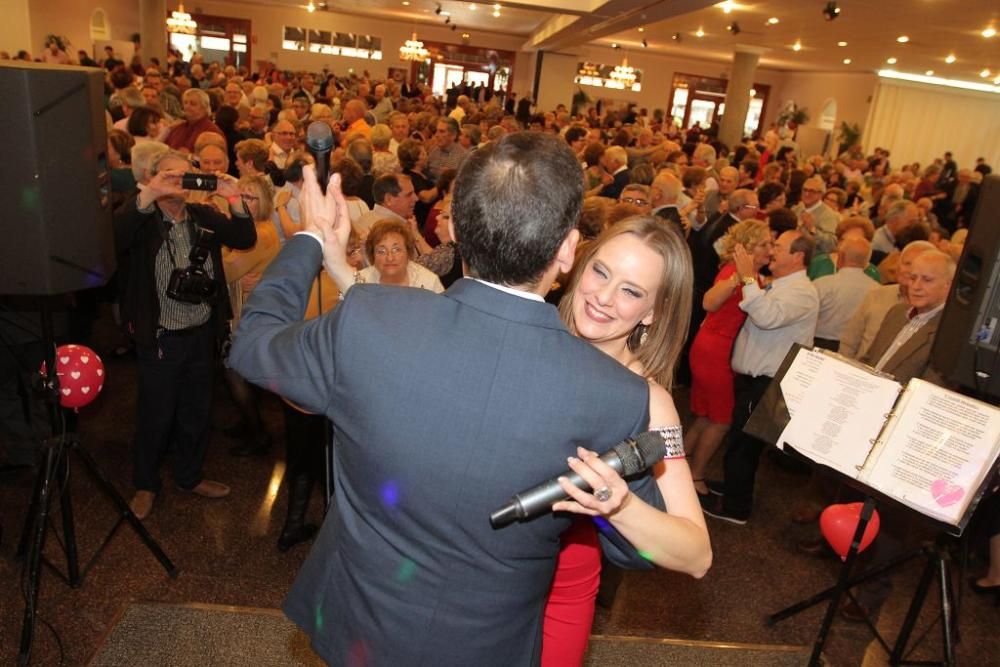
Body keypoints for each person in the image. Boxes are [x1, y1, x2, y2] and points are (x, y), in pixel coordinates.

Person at [229, 132, 670, 665]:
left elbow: (252, 346)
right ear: (568, 249)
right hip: (489, 648)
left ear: (456, 228)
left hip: (359, 627)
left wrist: (310, 239)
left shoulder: (370, 319)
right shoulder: (616, 394)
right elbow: (634, 550)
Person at [545, 217, 712, 664]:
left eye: (631, 291)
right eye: (601, 272)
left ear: (654, 311)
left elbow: (697, 553)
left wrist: (620, 505)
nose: (603, 297)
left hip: (558, 586)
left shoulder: (650, 402)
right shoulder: (529, 335)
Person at [115, 150, 256, 519]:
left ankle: (190, 476)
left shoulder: (202, 217)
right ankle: (145, 484)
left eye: (185, 176)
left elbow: (244, 237)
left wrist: (233, 197)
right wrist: (147, 195)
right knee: (155, 415)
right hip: (160, 335)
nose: (179, 183)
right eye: (169, 177)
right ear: (153, 180)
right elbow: (111, 239)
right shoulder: (143, 221)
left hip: (200, 332)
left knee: (197, 412)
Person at [702, 230, 819, 524]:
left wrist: (748, 278)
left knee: (744, 445)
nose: (772, 252)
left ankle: (736, 508)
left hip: (768, 382)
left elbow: (766, 318)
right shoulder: (783, 285)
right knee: (741, 442)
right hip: (754, 379)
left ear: (798, 257)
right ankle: (733, 489)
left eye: (779, 247)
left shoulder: (802, 292)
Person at [685, 219, 772, 498]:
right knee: (720, 419)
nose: (770, 250)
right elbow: (708, 303)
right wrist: (739, 277)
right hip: (716, 350)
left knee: (706, 414)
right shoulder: (735, 272)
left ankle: (677, 459)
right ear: (745, 249)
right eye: (763, 244)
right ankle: (695, 475)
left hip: (714, 346)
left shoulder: (752, 278)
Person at [221, 175, 281, 456]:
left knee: (235, 371)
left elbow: (228, 269)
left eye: (251, 197)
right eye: (240, 196)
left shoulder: (260, 233)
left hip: (248, 313)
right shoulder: (252, 228)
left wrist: (218, 250)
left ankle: (257, 433)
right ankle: (248, 423)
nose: (244, 202)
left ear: (265, 202)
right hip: (249, 307)